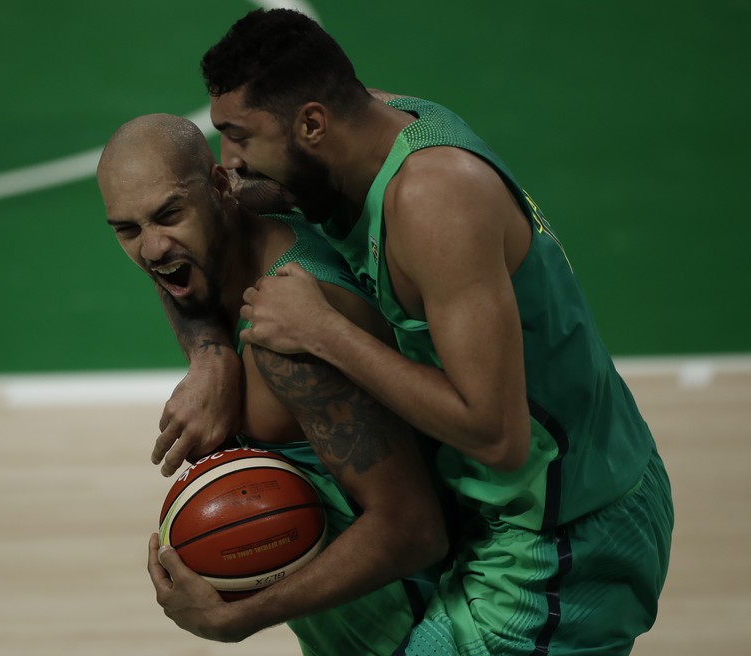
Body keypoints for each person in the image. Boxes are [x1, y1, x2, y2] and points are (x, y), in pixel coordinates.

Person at [152, 8, 675, 656]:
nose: (227, 163)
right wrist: (210, 355)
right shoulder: (366, 128)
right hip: (540, 505)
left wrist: (325, 333)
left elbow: (497, 435)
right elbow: (187, 234)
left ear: (312, 123)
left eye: (239, 138)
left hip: (563, 541)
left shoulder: (434, 200)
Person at [95, 113, 450, 655]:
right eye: (127, 229)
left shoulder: (292, 344)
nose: (151, 248)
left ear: (219, 187)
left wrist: (237, 619)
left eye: (169, 214)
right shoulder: (223, 240)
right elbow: (173, 263)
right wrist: (210, 354)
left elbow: (414, 529)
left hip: (420, 634)